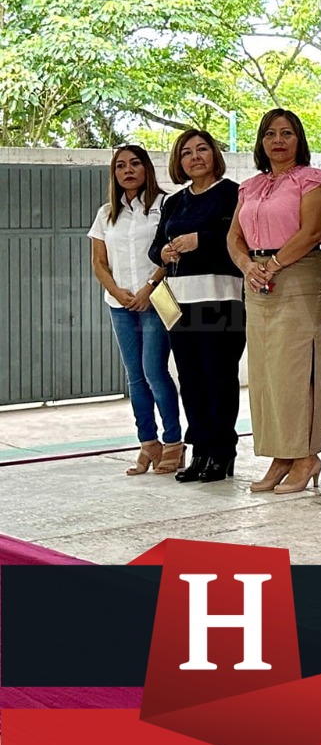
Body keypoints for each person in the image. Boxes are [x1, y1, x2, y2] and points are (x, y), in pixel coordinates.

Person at [227, 110, 321, 496]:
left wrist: (271, 264)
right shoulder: (250, 187)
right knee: (266, 374)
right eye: (270, 133)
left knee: (296, 371)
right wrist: (247, 267)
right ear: (260, 142)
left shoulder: (312, 180)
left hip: (300, 275)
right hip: (258, 280)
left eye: (287, 133)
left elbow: (311, 232)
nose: (278, 140)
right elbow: (234, 237)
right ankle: (281, 456)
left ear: (299, 139)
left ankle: (306, 456)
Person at [149, 128, 246, 483]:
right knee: (190, 380)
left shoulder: (232, 194)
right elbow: (155, 246)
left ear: (214, 155)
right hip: (180, 302)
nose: (195, 157)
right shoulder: (174, 202)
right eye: (186, 152)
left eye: (202, 149)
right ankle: (200, 450)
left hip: (221, 298)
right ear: (179, 161)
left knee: (218, 376)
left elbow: (241, 239)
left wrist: (200, 240)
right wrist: (163, 251)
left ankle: (223, 452)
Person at [88, 145, 183, 475]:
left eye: (135, 164)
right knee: (135, 377)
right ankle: (148, 443)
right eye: (120, 166)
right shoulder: (106, 214)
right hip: (120, 303)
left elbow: (172, 254)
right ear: (114, 174)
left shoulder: (166, 204)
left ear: (146, 168)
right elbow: (99, 263)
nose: (127, 171)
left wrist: (148, 289)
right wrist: (117, 291)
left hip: (160, 299)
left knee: (154, 371)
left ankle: (174, 442)